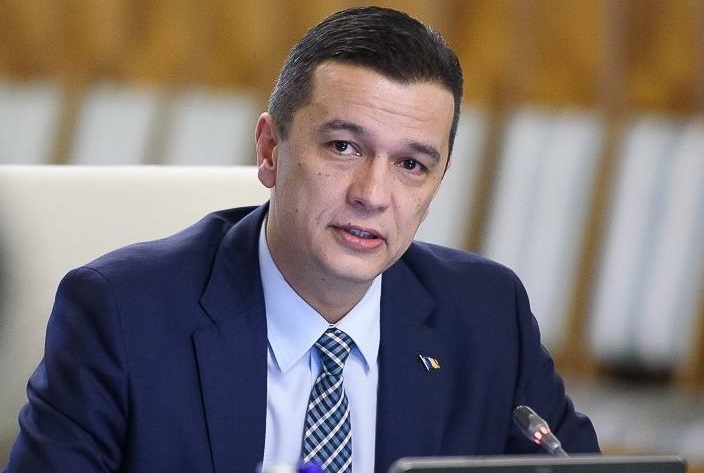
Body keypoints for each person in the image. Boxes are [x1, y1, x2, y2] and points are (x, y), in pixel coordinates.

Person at [3, 6, 599, 473]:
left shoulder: (487, 315)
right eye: (344, 147)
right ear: (269, 150)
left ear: (438, 181)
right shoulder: (122, 313)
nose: (373, 194)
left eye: (411, 165)